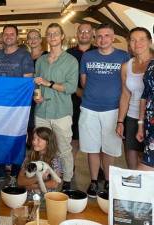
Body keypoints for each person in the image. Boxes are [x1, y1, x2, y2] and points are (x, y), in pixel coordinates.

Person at [79, 24, 129, 196]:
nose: (102, 39)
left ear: (113, 37)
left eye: (106, 35)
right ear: (95, 38)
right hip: (89, 108)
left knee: (109, 149)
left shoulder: (123, 57)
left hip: (113, 110)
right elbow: (84, 82)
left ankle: (108, 182)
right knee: (91, 148)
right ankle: (94, 182)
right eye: (99, 36)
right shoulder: (87, 56)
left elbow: (126, 86)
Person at [34, 23, 78, 191]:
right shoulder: (41, 60)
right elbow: (37, 84)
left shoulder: (71, 61)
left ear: (61, 37)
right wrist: (36, 96)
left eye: (55, 34)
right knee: (41, 148)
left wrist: (48, 83)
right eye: (49, 33)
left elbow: (71, 87)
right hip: (42, 111)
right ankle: (43, 176)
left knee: (64, 149)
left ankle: (67, 180)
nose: (52, 37)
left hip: (61, 113)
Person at [0, 24, 35, 181]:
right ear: (3, 36)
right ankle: (1, 168)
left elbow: (28, 82)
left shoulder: (24, 56)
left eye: (12, 34)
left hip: (18, 106)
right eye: (6, 34)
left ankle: (16, 170)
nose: (8, 36)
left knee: (18, 138)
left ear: (17, 37)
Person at [117, 27, 152, 169]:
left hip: (151, 118)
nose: (137, 43)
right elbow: (125, 95)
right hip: (132, 116)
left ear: (150, 42)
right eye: (133, 40)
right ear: (129, 44)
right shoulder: (126, 66)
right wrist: (120, 121)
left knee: (148, 161)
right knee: (131, 160)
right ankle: (134, 190)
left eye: (142, 39)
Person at [66, 23, 97, 163]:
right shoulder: (68, 54)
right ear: (77, 34)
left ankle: (99, 171)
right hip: (73, 101)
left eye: (87, 31)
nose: (84, 34)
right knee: (74, 138)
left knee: (96, 138)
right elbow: (64, 77)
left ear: (92, 34)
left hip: (95, 101)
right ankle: (70, 169)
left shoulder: (99, 51)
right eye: (81, 31)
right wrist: (77, 91)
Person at [17, 127, 62, 198]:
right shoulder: (29, 157)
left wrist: (32, 186)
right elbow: (20, 181)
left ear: (48, 142)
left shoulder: (54, 159)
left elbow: (54, 184)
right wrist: (38, 178)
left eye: (38, 140)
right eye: (34, 139)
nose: (34, 142)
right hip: (29, 198)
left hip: (47, 198)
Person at [137, 59, 154, 171]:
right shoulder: (151, 64)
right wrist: (140, 124)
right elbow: (145, 94)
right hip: (150, 124)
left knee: (144, 168)